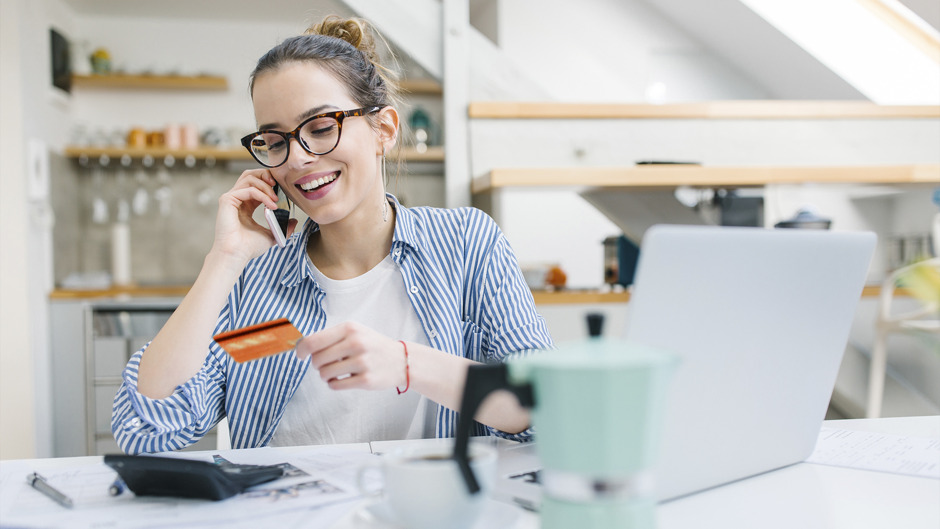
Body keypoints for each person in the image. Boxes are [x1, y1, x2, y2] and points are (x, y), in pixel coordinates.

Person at [112, 15, 553, 454]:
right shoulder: (257, 282)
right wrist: (223, 259)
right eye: (276, 141)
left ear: (384, 129)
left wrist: (405, 362)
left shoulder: (464, 244)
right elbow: (148, 428)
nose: (298, 159)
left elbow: (544, 407)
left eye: (321, 128)